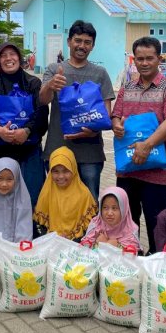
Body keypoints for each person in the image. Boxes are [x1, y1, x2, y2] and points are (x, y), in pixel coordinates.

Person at [111, 36, 166, 253]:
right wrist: (116, 125)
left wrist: (146, 145)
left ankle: (156, 266)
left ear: (159, 59)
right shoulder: (127, 87)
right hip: (127, 170)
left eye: (149, 58)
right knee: (128, 222)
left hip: (157, 172)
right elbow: (115, 115)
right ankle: (131, 264)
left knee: (157, 224)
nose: (144, 63)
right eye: (139, 59)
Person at [39, 20, 115, 200]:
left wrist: (93, 131)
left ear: (93, 46)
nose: (82, 46)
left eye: (87, 42)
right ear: (69, 42)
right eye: (78, 41)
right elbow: (43, 100)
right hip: (58, 148)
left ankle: (90, 230)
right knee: (58, 201)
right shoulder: (54, 69)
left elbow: (107, 111)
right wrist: (51, 85)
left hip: (90, 152)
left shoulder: (100, 73)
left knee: (89, 201)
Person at [0, 41, 49, 206]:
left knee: (31, 202)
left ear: (19, 58)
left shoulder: (33, 83)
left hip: (28, 153)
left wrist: (26, 131)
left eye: (12, 54)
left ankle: (31, 232)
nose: (8, 59)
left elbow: (42, 113)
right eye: (3, 55)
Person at [33, 146, 97, 240]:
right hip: (51, 244)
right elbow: (39, 225)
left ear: (74, 169)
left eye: (66, 171)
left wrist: (71, 240)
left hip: (77, 246)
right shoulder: (46, 193)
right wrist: (52, 238)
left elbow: (90, 227)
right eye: (55, 171)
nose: (61, 176)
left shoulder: (84, 194)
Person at [0, 157, 33, 243]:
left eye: (9, 179)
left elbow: (24, 228)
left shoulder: (22, 199)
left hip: (16, 250)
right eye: (0, 179)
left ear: (17, 179)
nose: (4, 184)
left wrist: (18, 250)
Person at [80, 187, 142, 251]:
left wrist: (116, 246)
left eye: (114, 208)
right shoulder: (96, 224)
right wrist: (97, 244)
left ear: (124, 209)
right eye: (105, 207)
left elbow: (131, 257)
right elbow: (84, 250)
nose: (109, 213)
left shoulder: (130, 231)